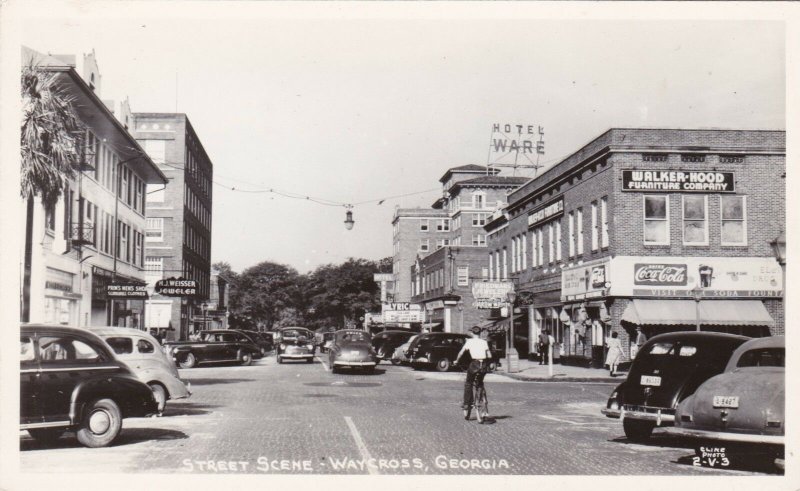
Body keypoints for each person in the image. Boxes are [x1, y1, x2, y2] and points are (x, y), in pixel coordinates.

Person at [455, 326, 492, 420]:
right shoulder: (484, 342)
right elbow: (489, 355)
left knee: (468, 383)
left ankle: (467, 404)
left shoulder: (469, 342)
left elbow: (461, 353)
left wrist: (456, 361)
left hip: (474, 364)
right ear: (480, 333)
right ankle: (484, 410)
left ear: (472, 333)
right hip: (483, 365)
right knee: (480, 384)